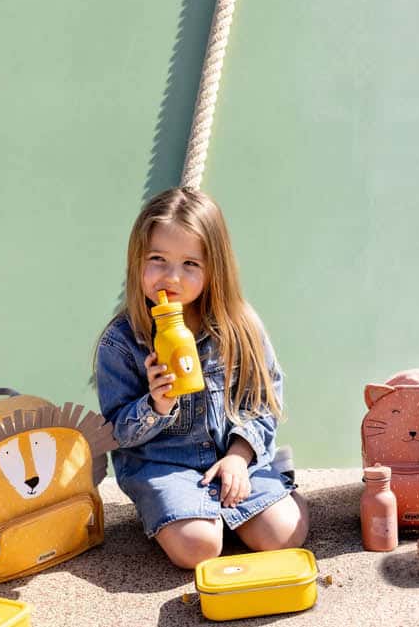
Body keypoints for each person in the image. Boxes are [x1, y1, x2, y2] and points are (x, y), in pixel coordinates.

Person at [94, 187, 306, 568]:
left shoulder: (239, 326)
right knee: (198, 548)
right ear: (137, 261)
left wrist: (239, 457)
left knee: (283, 536)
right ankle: (186, 514)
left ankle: (277, 484)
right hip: (163, 466)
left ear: (214, 269)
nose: (171, 277)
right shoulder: (122, 343)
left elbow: (265, 400)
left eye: (190, 264)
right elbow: (116, 433)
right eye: (157, 259)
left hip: (235, 456)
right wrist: (156, 405)